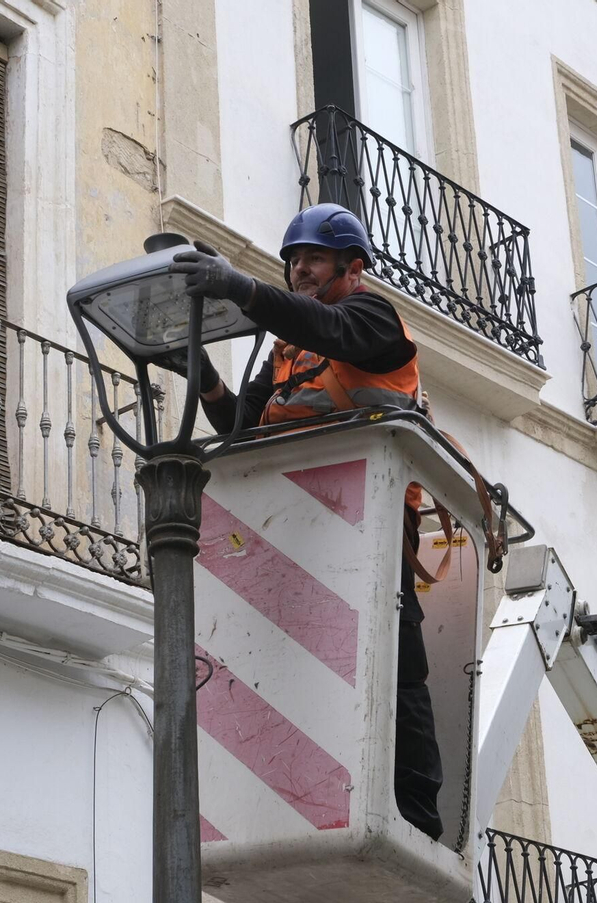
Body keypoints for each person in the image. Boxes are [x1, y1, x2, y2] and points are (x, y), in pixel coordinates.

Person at [157, 203, 445, 841]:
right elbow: (241, 425)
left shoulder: (372, 320)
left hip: (369, 533)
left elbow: (330, 329)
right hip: (294, 533)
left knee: (397, 675)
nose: (300, 270)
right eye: (292, 261)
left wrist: (241, 288)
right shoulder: (287, 353)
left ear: (352, 266)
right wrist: (207, 383)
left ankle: (418, 818)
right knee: (301, 677)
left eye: (314, 257)